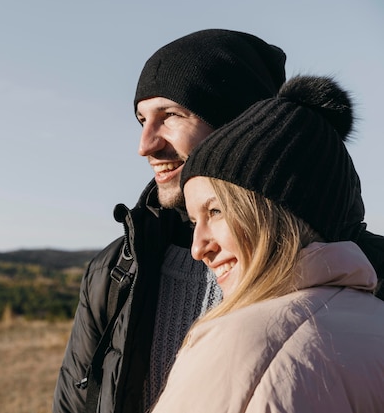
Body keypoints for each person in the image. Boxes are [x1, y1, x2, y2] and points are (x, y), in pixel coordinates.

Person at [52, 29, 384, 413]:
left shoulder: (371, 273)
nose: (145, 144)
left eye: (171, 115)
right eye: (142, 118)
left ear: (247, 124)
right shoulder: (114, 271)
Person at [150, 75, 384, 412]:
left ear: (276, 212)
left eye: (215, 210)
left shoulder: (242, 343)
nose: (198, 247)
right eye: (193, 220)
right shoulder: (375, 323)